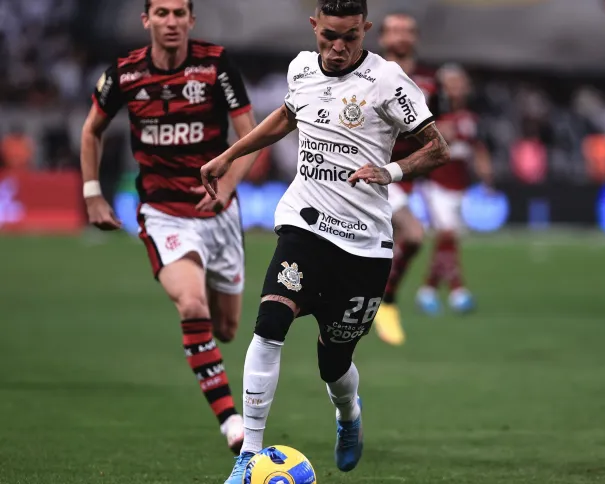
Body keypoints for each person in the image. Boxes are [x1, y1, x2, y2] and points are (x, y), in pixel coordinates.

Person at [197, 1, 450, 481]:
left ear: (365, 30)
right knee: (270, 324)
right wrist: (228, 157)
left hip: (364, 245)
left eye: (350, 37)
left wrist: (389, 170)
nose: (337, 48)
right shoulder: (301, 69)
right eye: (329, 36)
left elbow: (439, 148)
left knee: (333, 364)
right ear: (314, 26)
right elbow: (287, 118)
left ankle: (349, 414)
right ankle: (248, 454)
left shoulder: (389, 82)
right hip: (304, 225)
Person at [79, 0, 259, 455]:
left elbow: (249, 136)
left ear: (191, 20)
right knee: (191, 303)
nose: (171, 21)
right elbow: (91, 131)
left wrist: (226, 186)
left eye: (179, 13)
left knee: (227, 328)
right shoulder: (124, 74)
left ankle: (212, 363)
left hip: (219, 213)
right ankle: (231, 423)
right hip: (165, 213)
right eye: (161, 13)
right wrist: (92, 193)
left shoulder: (216, 65)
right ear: (147, 21)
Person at [371, 11, 441, 346]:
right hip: (379, 170)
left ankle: (379, 299)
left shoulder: (429, 83)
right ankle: (385, 300)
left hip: (416, 175)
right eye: (394, 30)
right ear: (382, 38)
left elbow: (439, 127)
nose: (400, 36)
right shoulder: (368, 74)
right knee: (413, 235)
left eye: (407, 31)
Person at [417, 63, 492, 314]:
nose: (458, 89)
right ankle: (459, 291)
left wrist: (485, 171)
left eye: (461, 83)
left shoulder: (470, 118)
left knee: (447, 241)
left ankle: (427, 290)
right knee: (447, 235)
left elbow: (476, 147)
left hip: (460, 185)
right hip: (435, 183)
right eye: (452, 84)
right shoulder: (431, 115)